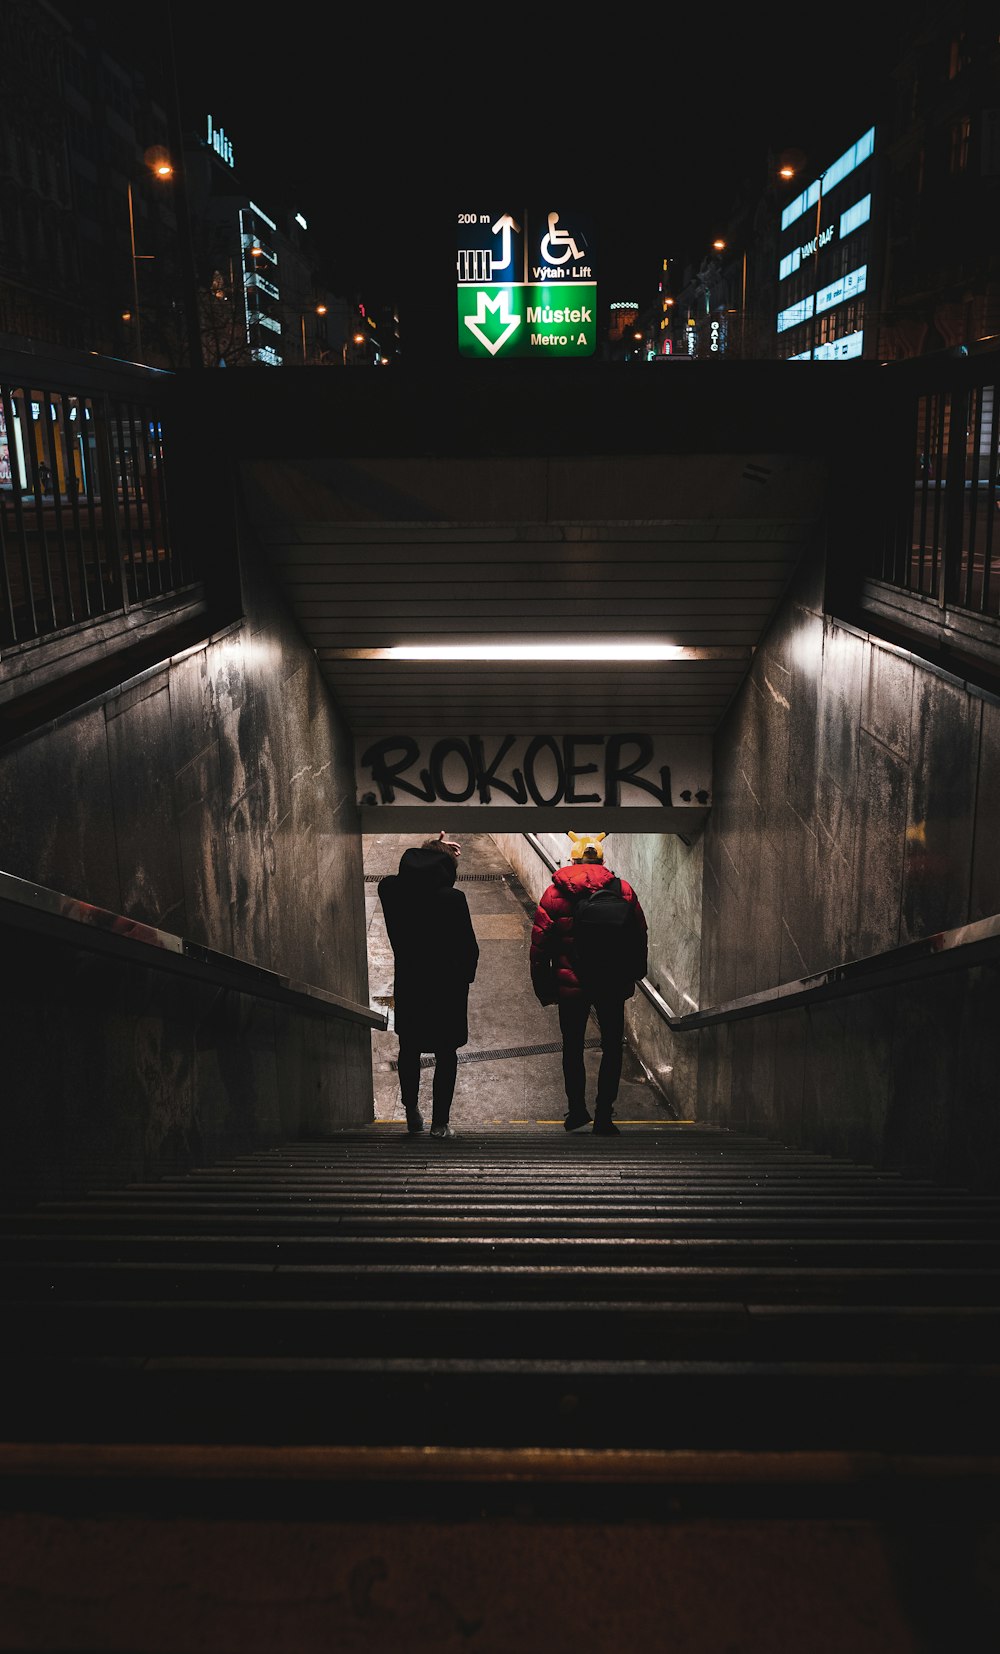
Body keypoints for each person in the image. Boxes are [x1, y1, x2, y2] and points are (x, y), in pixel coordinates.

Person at [529, 835, 648, 1137]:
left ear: (572, 861)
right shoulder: (623, 891)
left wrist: (546, 988)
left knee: (573, 1047)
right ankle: (605, 1115)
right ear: (602, 862)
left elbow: (540, 948)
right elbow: (639, 935)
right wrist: (633, 975)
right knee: (611, 1048)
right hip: (611, 983)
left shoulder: (554, 895)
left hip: (571, 985)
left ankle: (577, 1112)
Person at [377, 831, 479, 1139]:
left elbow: (399, 876)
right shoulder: (452, 899)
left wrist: (431, 848)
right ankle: (440, 1124)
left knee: (409, 1048)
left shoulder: (392, 891)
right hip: (447, 987)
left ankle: (411, 1112)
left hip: (411, 984)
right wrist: (465, 978)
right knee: (446, 1054)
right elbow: (468, 948)